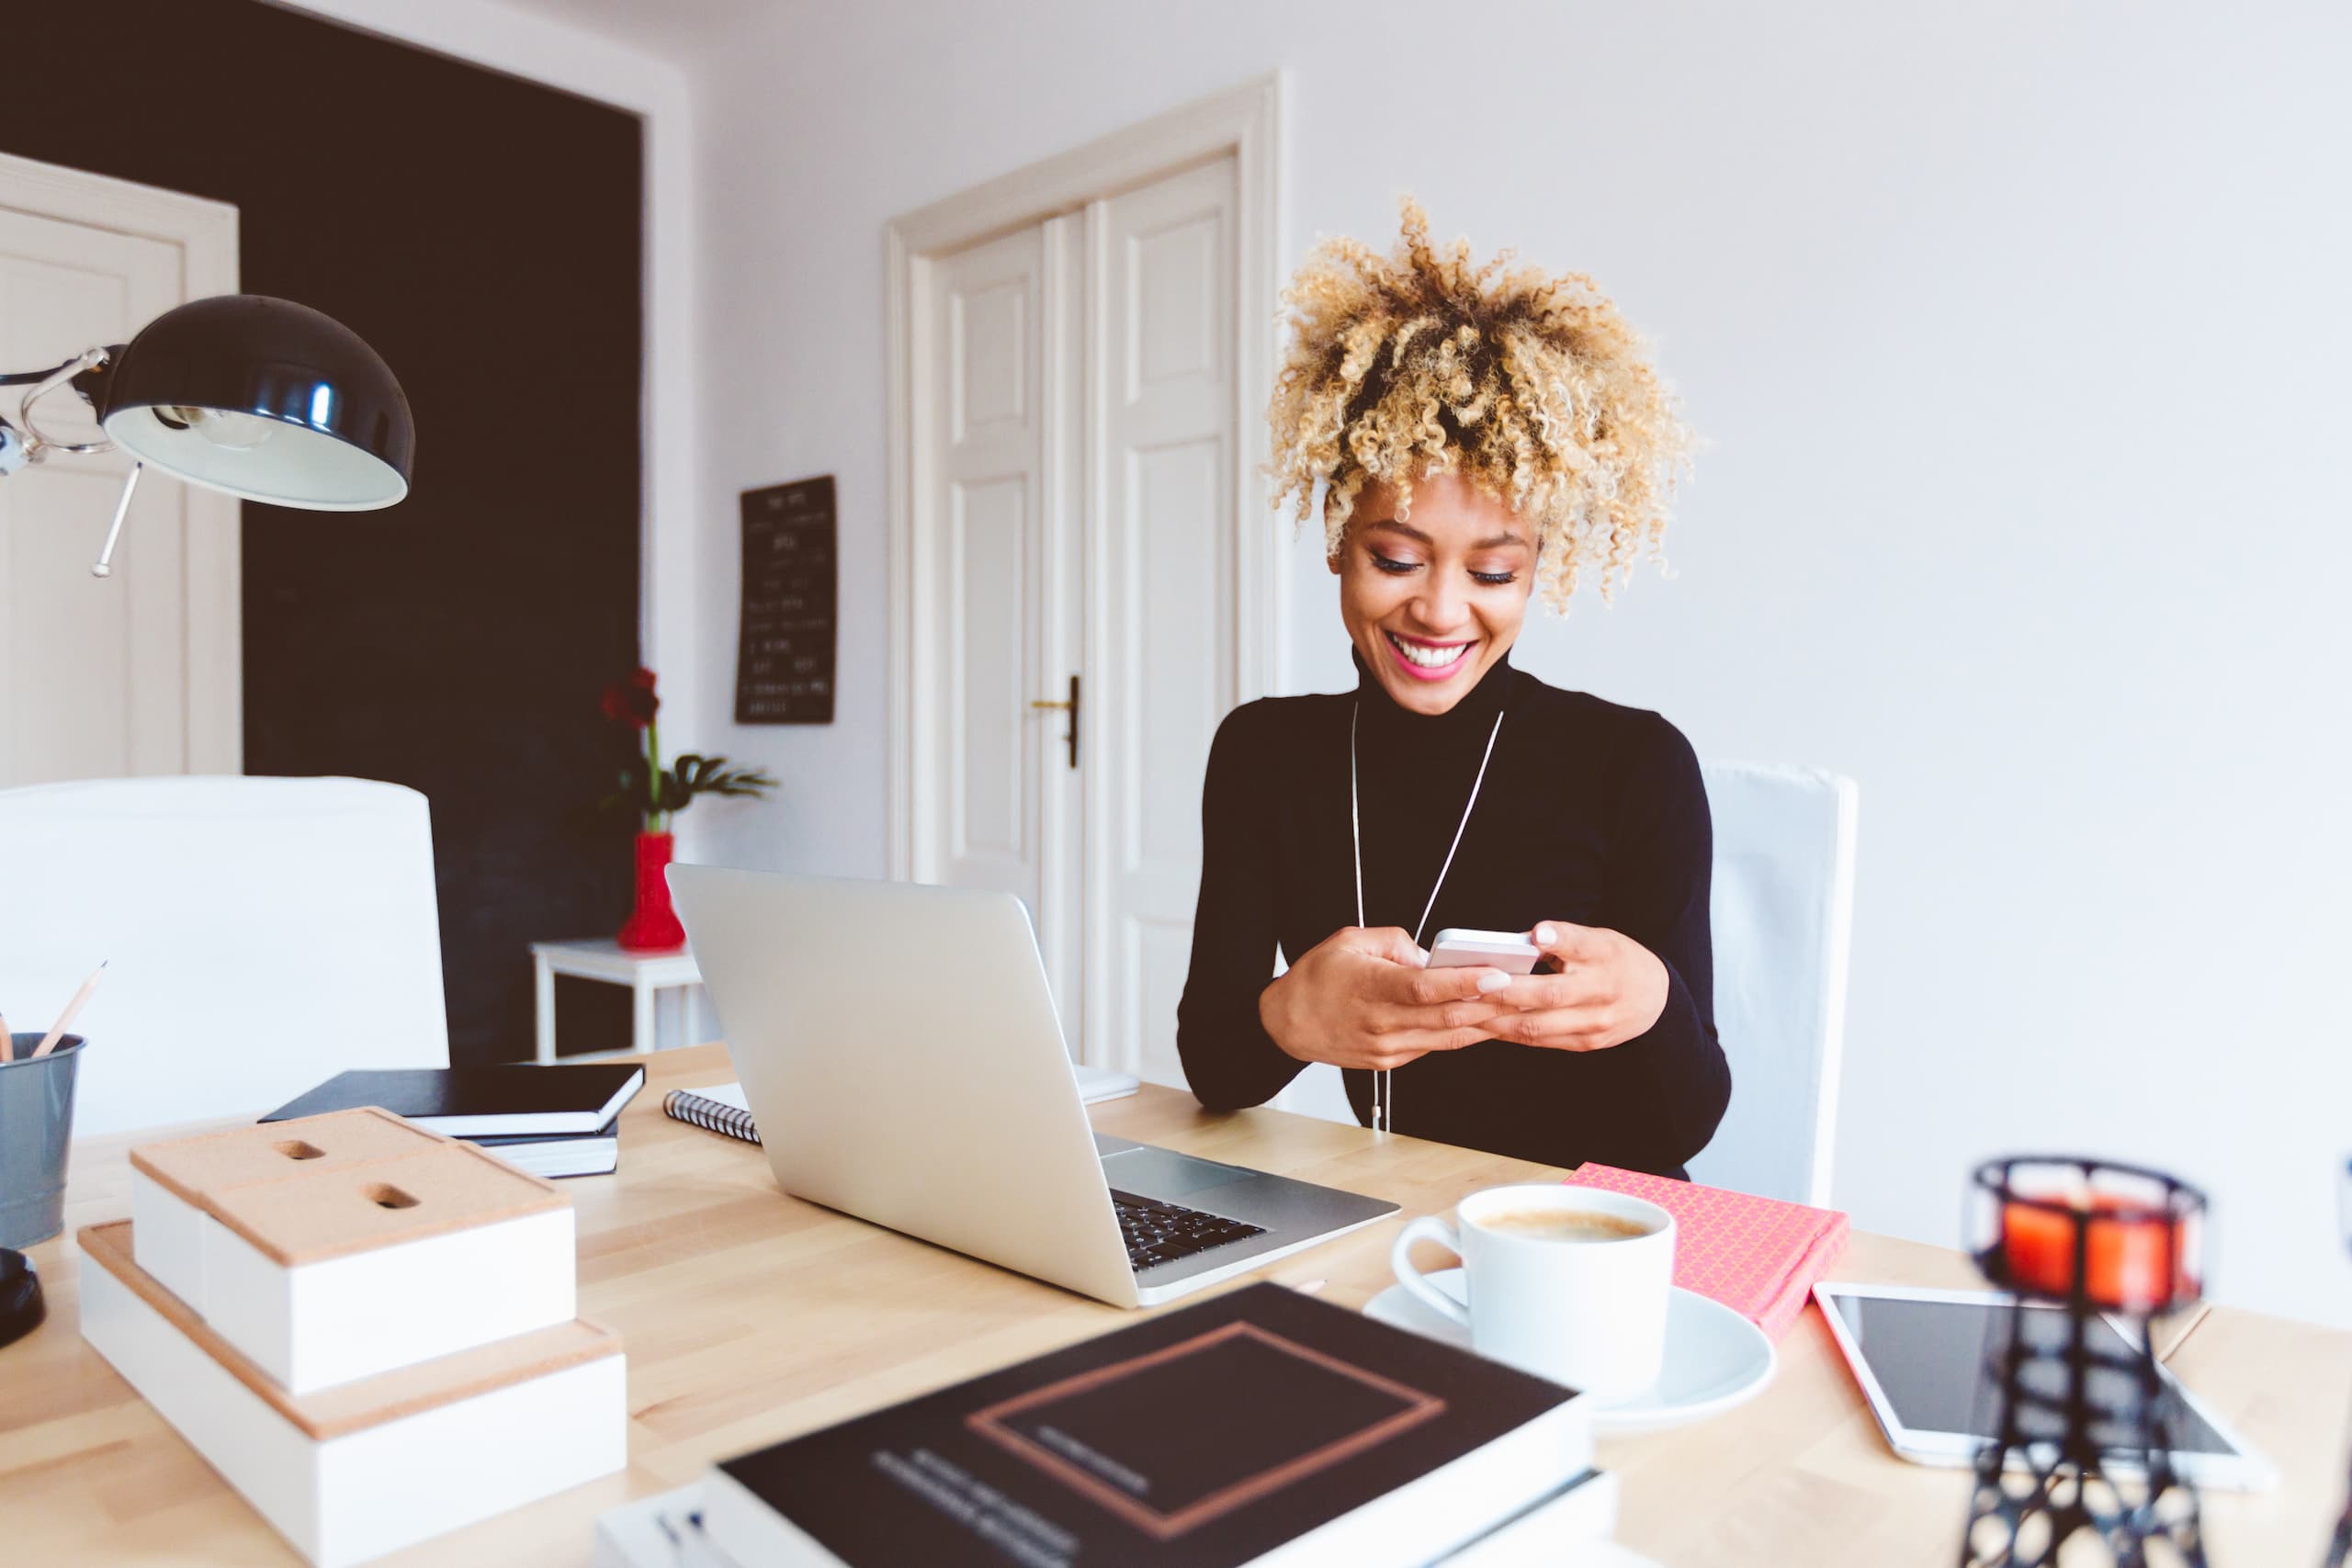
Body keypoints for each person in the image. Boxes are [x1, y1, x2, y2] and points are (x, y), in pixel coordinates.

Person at [1175, 200, 1729, 1178]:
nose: (1438, 611)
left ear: (1535, 572)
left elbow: (1684, 1127)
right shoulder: (1264, 754)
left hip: (1592, 1238)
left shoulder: (1635, 763)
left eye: (1490, 573)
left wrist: (1650, 1002)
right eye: (1395, 557)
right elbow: (1216, 1068)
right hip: (1389, 1211)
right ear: (1339, 543)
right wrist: (1286, 1012)